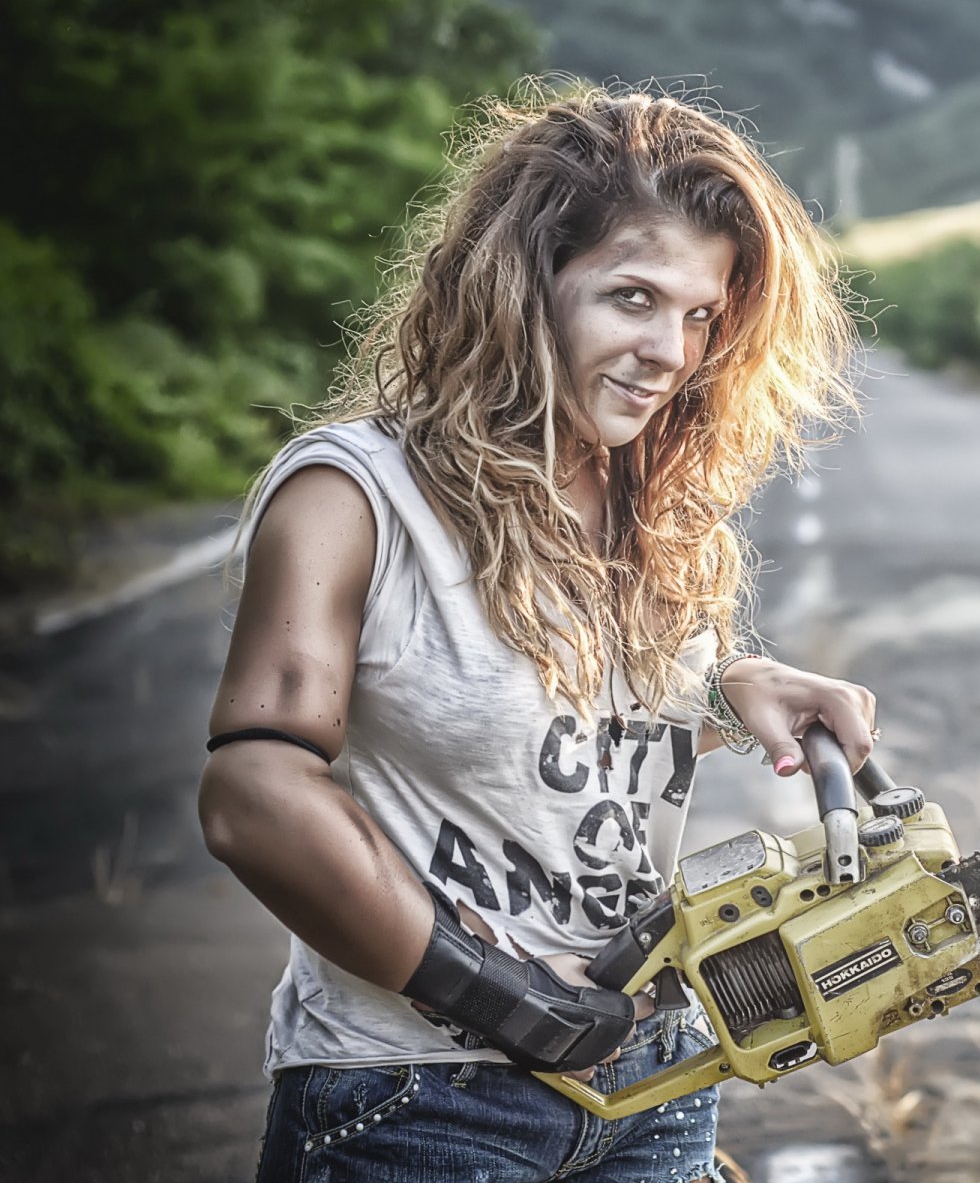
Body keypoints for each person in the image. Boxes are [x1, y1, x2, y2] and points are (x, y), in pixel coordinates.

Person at [199, 84, 873, 1182]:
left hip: (654, 1089)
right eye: (633, 298)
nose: (671, 351)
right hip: (417, 1104)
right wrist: (501, 996)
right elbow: (254, 794)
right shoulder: (356, 498)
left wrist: (730, 684)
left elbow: (568, 717)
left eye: (702, 315)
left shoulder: (649, 499)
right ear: (525, 288)